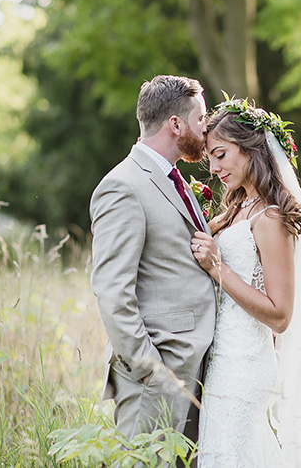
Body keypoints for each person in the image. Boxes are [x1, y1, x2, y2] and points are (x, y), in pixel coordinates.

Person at [190, 98, 301, 468]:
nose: (214, 167)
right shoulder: (240, 207)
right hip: (224, 357)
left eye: (221, 155)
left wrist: (218, 267)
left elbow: (280, 314)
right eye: (211, 157)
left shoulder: (270, 217)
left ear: (251, 148)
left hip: (245, 362)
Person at [90, 75, 217, 449]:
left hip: (196, 366)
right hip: (159, 375)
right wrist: (150, 369)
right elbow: (113, 290)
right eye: (200, 118)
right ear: (175, 124)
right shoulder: (123, 186)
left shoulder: (174, 180)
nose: (205, 127)